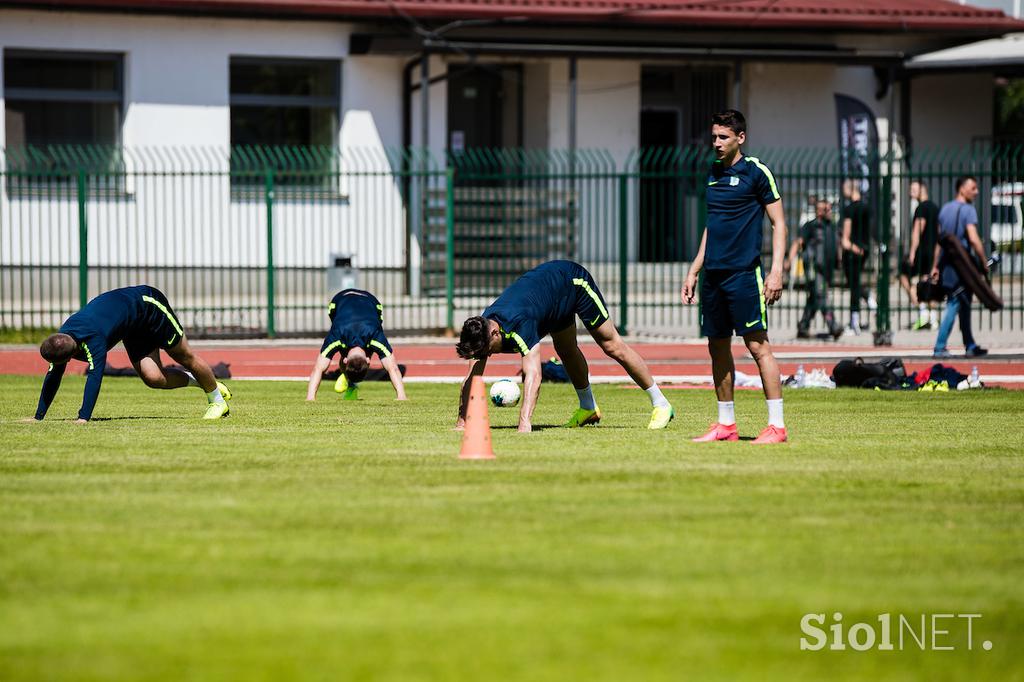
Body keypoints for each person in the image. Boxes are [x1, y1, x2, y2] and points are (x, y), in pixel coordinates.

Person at [454, 259, 674, 433]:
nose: (486, 355)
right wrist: (462, 421)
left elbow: (534, 375)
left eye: (486, 350)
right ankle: (588, 408)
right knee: (566, 351)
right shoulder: (483, 328)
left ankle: (661, 404)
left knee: (611, 345)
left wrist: (524, 423)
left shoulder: (520, 324)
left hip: (572, 282)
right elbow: (473, 375)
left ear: (495, 332)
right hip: (550, 301)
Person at [681, 109, 788, 445]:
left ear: (740, 138)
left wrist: (776, 271)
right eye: (714, 137)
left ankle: (777, 427)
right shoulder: (712, 173)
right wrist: (694, 268)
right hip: (713, 276)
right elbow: (712, 227)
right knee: (717, 347)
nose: (716, 143)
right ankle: (725, 425)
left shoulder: (757, 173)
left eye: (723, 137)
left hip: (744, 275)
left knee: (758, 346)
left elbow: (779, 224)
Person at [33, 285, 231, 422]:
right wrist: (39, 416)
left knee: (183, 356)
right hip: (132, 324)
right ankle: (207, 382)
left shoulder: (94, 340)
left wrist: (83, 417)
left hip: (149, 306)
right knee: (153, 378)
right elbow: (54, 373)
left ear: (70, 354)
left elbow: (95, 377)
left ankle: (217, 401)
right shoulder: (63, 337)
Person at [306, 289, 407, 401]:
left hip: (365, 302)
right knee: (362, 346)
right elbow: (393, 368)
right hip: (344, 301)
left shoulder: (337, 336)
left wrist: (311, 398)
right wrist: (401, 396)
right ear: (368, 360)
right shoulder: (373, 336)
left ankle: (349, 381)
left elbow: (318, 368)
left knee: (349, 346)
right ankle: (350, 381)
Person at [930, 176, 989, 359]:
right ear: (962, 189)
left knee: (964, 303)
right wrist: (983, 260)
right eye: (973, 188)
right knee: (954, 303)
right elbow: (973, 239)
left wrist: (935, 266)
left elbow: (939, 242)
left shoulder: (945, 209)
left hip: (947, 263)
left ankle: (970, 344)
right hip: (962, 266)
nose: (976, 192)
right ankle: (939, 347)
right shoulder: (968, 210)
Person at [786, 199, 843, 340]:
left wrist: (839, 260)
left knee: (814, 298)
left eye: (829, 209)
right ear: (818, 211)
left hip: (827, 269)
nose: (829, 211)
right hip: (814, 268)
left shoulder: (832, 226)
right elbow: (798, 242)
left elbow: (837, 245)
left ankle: (803, 327)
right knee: (820, 295)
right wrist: (788, 260)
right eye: (826, 209)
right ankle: (833, 325)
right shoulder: (810, 226)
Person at [899, 180, 940, 330]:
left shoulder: (921, 208)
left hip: (922, 251)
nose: (911, 192)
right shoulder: (935, 207)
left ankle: (923, 311)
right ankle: (933, 317)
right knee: (929, 281)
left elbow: (917, 230)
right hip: (933, 250)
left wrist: (912, 253)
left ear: (923, 189)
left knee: (904, 274)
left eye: (913, 189)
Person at [840, 178, 874, 334]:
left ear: (850, 189)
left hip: (853, 252)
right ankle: (868, 298)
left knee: (853, 285)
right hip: (865, 250)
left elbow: (845, 239)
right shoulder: (867, 208)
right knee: (855, 282)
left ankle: (855, 322)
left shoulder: (849, 210)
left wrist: (852, 248)